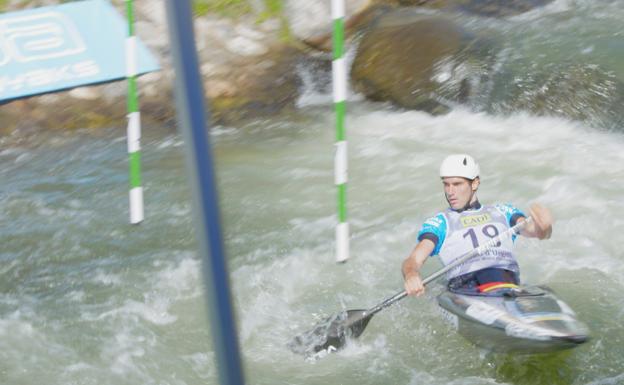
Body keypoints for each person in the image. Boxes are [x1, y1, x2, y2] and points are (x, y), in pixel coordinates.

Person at [402, 154, 554, 296]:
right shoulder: (440, 223)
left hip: (508, 283)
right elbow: (413, 260)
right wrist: (411, 275)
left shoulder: (503, 212)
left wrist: (544, 226)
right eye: (446, 185)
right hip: (467, 288)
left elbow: (536, 232)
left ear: (474, 183)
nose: (450, 191)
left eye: (457, 184)